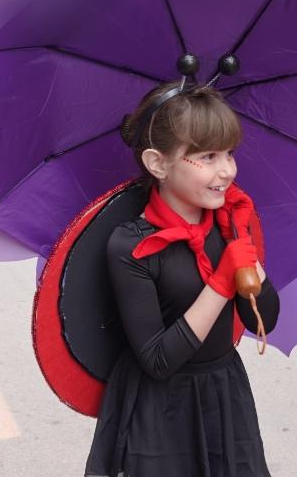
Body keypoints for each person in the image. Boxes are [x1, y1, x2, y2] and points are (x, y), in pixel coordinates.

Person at [85, 82, 280, 477]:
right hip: (158, 413)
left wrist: (242, 245)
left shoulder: (227, 225)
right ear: (158, 164)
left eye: (229, 153)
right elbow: (158, 360)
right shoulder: (131, 245)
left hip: (224, 396)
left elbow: (266, 320)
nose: (227, 171)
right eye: (207, 156)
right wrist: (222, 281)